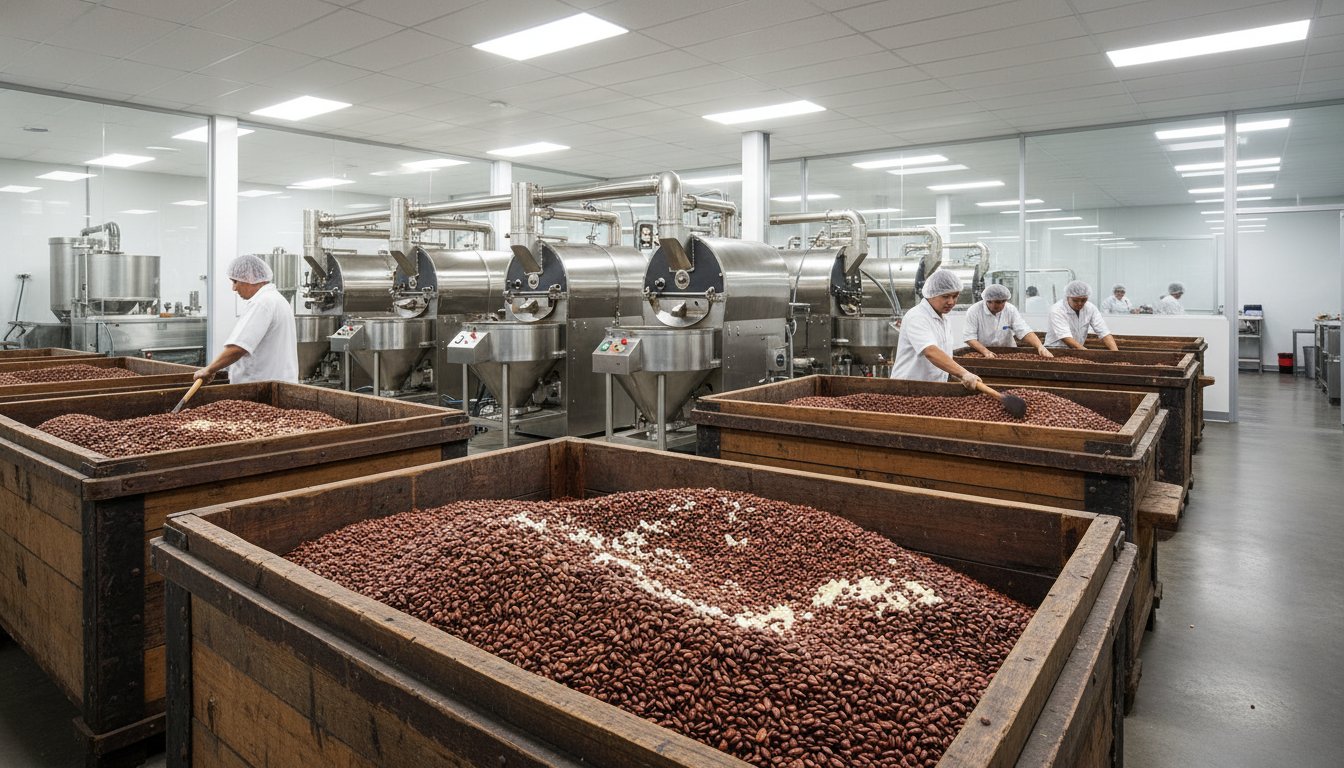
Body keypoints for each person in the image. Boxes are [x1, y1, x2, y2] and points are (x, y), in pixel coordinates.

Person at [194, 254, 299, 384]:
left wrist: (208, 370)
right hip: (274, 382)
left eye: (235, 281)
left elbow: (238, 348)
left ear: (249, 278)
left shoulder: (262, 303)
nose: (234, 288)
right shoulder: (275, 299)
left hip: (261, 386)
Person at [889, 268, 982, 390]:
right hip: (908, 388)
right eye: (945, 296)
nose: (951, 302)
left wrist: (955, 374)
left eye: (955, 296)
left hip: (931, 388)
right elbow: (931, 351)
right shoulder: (917, 317)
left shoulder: (943, 319)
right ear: (931, 294)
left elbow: (944, 354)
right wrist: (963, 373)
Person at [963, 284, 1053, 358]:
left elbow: (1023, 330)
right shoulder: (974, 311)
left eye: (1004, 301)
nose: (1002, 305)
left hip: (1007, 352)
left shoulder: (1010, 309)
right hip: (981, 353)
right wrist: (985, 352)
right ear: (988, 301)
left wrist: (1040, 347)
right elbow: (969, 337)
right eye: (998, 302)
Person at [1045, 280, 1119, 351]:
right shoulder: (1057, 310)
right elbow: (1065, 337)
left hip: (1078, 350)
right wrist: (1087, 353)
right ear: (1068, 297)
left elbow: (1104, 332)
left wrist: (1116, 353)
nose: (1080, 303)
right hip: (1055, 349)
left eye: (1083, 300)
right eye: (1075, 300)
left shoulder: (1090, 308)